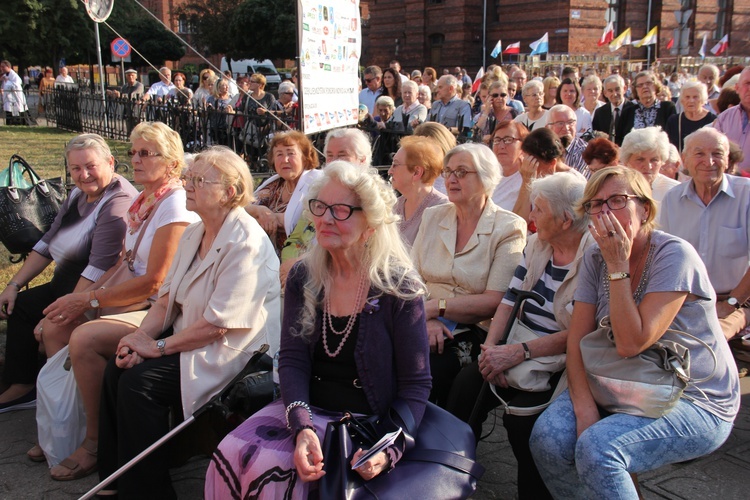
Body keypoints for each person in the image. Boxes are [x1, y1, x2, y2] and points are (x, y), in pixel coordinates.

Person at [205, 161, 430, 498]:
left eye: (341, 210)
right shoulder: (303, 277)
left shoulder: (397, 287)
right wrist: (301, 426)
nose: (325, 218)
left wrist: (388, 449)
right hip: (304, 410)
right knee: (231, 451)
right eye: (320, 206)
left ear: (370, 224)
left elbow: (416, 384)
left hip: (365, 421)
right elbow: (293, 361)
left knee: (288, 474)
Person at [529, 166, 740, 499]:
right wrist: (584, 410)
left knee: (600, 450)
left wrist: (618, 266)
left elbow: (631, 343)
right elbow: (578, 340)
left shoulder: (674, 255)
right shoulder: (595, 256)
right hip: (618, 382)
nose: (604, 212)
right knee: (547, 439)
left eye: (616, 200)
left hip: (692, 396)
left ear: (645, 208)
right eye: (595, 205)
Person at [97, 146, 281, 498]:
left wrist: (156, 347)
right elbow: (166, 299)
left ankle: (148, 492)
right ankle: (116, 477)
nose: (187, 185)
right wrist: (138, 339)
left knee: (140, 383)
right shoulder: (195, 232)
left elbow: (219, 325)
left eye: (198, 180)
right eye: (188, 177)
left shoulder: (246, 243)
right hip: (190, 335)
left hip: (234, 352)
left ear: (229, 191)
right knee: (116, 367)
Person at [28, 122, 199, 478]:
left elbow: (154, 281)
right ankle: (68, 429)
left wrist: (88, 301)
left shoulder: (175, 204)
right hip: (134, 299)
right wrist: (76, 301)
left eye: (145, 153)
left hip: (161, 309)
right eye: (132, 152)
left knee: (84, 337)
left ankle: (95, 442)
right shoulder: (146, 200)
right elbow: (124, 264)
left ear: (170, 162)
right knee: (57, 325)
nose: (135, 160)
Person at [448, 173, 593, 500]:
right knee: (466, 386)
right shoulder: (537, 244)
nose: (530, 217)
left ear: (566, 220)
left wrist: (519, 353)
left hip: (564, 360)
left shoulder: (592, 257)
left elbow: (581, 332)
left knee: (521, 424)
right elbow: (510, 300)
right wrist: (491, 349)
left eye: (538, 210)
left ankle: (537, 494)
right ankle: (452, 475)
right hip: (517, 343)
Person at [0, 134, 138, 412]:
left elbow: (99, 265)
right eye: (75, 168)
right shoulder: (78, 194)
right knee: (20, 306)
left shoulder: (117, 201)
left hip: (91, 290)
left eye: (91, 166)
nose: (83, 175)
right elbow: (48, 242)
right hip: (65, 282)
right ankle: (23, 385)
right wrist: (13, 285)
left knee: (43, 319)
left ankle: (55, 402)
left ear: (110, 162)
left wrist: (66, 311)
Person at [410, 143, 526, 406]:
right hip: (421, 319)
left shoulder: (508, 227)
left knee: (425, 372)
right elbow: (411, 278)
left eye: (462, 172)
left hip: (473, 329)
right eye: (448, 171)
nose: (451, 179)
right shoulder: (433, 215)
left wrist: (436, 308)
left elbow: (494, 300)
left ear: (486, 178)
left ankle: (435, 442)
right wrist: (426, 319)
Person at [660, 128, 750, 341]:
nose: (709, 162)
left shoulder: (746, 195)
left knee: (715, 344)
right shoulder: (672, 199)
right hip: (685, 303)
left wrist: (731, 303)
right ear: (685, 160)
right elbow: (664, 258)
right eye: (699, 153)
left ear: (727, 160)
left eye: (717, 154)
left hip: (737, 302)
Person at [247, 131, 321, 254]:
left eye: (291, 153)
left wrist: (270, 217)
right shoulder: (275, 185)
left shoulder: (317, 183)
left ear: (305, 157)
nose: (285, 160)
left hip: (301, 260)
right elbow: (243, 206)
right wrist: (258, 211)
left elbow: (304, 221)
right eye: (279, 154)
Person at [513, 126, 587, 223]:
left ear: (552, 163)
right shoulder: (530, 176)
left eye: (533, 163)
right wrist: (526, 182)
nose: (527, 168)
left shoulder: (573, 184)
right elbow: (517, 222)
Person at [388, 136, 448, 245]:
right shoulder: (395, 207)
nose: (390, 171)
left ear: (416, 172)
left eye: (395, 165)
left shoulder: (442, 209)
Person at [620, 126, 679, 205]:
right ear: (626, 161)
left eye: (654, 160)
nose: (648, 167)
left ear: (662, 161)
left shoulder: (675, 192)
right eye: (640, 159)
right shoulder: (615, 189)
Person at [617, 71, 676, 145]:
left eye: (648, 83)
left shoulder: (668, 108)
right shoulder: (628, 112)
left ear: (655, 86)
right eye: (640, 85)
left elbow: (673, 137)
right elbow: (619, 140)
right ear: (636, 90)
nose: (644, 87)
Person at [714, 67, 750, 172]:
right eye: (747, 83)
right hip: (729, 184)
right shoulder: (724, 118)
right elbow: (714, 151)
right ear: (737, 88)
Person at [665, 80, 716, 151]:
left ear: (703, 99)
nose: (691, 100)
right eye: (687, 97)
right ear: (682, 100)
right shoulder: (674, 121)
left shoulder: (713, 121)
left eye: (695, 97)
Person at [491, 120, 530, 211]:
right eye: (497, 140)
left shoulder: (528, 179)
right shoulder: (487, 176)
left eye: (508, 140)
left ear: (523, 146)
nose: (501, 146)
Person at [546, 104, 589, 176]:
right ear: (548, 127)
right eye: (560, 123)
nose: (566, 128)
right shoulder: (543, 149)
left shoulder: (584, 151)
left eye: (570, 122)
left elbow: (580, 182)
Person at [592, 74, 634, 144]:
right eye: (610, 91)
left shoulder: (634, 110)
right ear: (605, 93)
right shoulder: (600, 113)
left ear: (624, 89)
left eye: (617, 89)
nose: (614, 94)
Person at [206, 79, 233, 146]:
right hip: (215, 126)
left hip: (227, 126)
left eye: (227, 85)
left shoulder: (231, 97)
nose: (226, 87)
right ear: (218, 87)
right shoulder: (212, 98)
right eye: (224, 85)